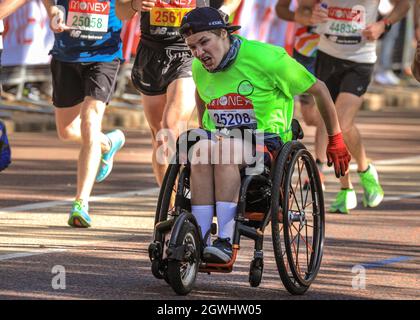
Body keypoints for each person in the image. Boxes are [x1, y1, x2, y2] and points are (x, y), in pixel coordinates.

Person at [178, 7, 351, 263]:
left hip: (265, 139)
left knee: (225, 151)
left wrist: (335, 139)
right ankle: (201, 238)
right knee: (198, 151)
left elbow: (320, 89)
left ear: (224, 34)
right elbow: (201, 94)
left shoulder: (269, 59)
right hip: (221, 138)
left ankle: (225, 241)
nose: (199, 53)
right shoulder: (199, 67)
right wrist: (205, 128)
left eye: (204, 42)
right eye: (193, 47)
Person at [297, 0, 409, 213]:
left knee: (341, 121)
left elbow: (404, 5)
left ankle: (365, 170)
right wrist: (308, 16)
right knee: (328, 122)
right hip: (326, 58)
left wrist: (384, 25)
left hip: (360, 60)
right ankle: (346, 188)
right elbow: (300, 8)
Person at [115, 0, 242, 186]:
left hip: (188, 52)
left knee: (171, 124)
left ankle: (189, 187)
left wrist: (222, 11)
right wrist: (135, 5)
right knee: (160, 136)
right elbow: (121, 11)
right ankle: (171, 205)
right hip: (152, 54)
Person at [41, 0, 126, 228]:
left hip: (104, 55)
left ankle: (81, 202)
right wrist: (53, 10)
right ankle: (107, 142)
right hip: (66, 55)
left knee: (90, 121)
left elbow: (129, 7)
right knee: (67, 131)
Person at [275, 0, 328, 190]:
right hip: (306, 47)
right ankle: (338, 125)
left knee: (324, 106)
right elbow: (280, 8)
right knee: (309, 115)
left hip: (333, 50)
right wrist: (300, 16)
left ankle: (319, 167)